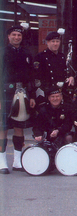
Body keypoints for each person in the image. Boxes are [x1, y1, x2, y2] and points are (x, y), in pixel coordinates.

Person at [1, 24, 36, 173]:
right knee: (2, 128)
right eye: (14, 35)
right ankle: (2, 162)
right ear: (8, 37)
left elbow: (32, 76)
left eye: (19, 35)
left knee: (19, 127)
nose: (16, 37)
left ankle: (17, 161)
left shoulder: (27, 53)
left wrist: (32, 95)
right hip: (5, 93)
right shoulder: (2, 52)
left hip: (23, 92)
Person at [33, 30, 75, 104]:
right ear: (48, 42)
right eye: (53, 41)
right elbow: (36, 77)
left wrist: (70, 76)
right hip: (47, 92)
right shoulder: (40, 56)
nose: (55, 44)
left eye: (57, 41)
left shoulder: (62, 56)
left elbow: (65, 73)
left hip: (60, 92)